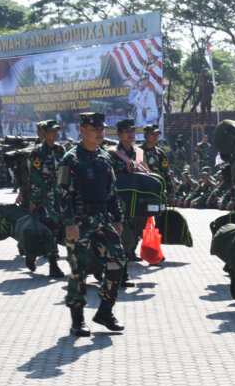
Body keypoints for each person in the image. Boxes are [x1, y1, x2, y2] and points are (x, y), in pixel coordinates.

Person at [58, 112, 126, 337]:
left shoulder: (104, 158)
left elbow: (113, 191)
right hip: (79, 221)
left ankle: (105, 311)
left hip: (102, 219)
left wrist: (117, 218)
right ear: (82, 130)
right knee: (79, 270)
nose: (100, 133)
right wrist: (69, 224)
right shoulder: (71, 158)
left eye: (101, 129)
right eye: (95, 129)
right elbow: (62, 194)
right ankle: (78, 321)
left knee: (117, 261)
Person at [108, 119, 148, 284]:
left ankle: (127, 256)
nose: (131, 134)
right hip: (119, 200)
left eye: (132, 131)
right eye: (126, 131)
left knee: (137, 230)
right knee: (122, 236)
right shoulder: (111, 153)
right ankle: (119, 274)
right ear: (119, 134)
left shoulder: (139, 152)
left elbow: (146, 171)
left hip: (137, 200)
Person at [26, 120, 66, 277]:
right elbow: (35, 178)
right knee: (47, 230)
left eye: (56, 131)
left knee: (55, 230)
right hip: (44, 199)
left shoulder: (60, 150)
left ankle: (33, 255)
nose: (55, 134)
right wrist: (34, 201)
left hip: (59, 197)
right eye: (51, 131)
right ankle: (52, 264)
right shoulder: (37, 153)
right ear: (44, 133)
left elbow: (65, 172)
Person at [140, 124, 175, 203]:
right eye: (153, 134)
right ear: (146, 135)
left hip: (158, 190)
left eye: (157, 134)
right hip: (143, 191)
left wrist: (171, 192)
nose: (156, 136)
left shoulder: (160, 153)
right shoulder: (138, 151)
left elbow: (166, 173)